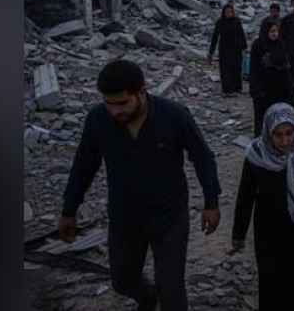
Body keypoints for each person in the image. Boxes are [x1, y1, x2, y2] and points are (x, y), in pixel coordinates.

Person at [59, 60, 221, 311]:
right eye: (109, 103)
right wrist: (69, 210)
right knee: (122, 281)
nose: (115, 111)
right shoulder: (98, 120)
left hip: (169, 217)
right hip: (125, 218)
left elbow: (202, 157)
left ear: (142, 92)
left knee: (171, 291)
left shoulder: (174, 116)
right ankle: (147, 298)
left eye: (122, 103)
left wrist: (211, 202)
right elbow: (84, 165)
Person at [231, 103, 294, 311]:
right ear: (268, 132)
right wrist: (238, 234)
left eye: (289, 133)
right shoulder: (256, 154)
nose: (285, 141)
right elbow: (246, 196)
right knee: (275, 286)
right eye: (278, 135)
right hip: (270, 234)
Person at [248, 21, 294, 136]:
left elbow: (290, 62)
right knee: (265, 119)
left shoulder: (281, 43)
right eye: (272, 31)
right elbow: (254, 69)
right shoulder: (258, 45)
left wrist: (292, 80)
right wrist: (255, 89)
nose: (275, 34)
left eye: (276, 31)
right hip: (265, 90)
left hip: (284, 87)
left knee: (293, 112)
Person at [207, 2, 247, 96]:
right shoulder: (220, 22)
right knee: (225, 70)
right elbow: (215, 37)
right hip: (224, 49)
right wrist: (211, 52)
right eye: (227, 12)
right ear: (223, 12)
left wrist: (244, 47)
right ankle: (227, 90)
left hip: (236, 49)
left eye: (230, 12)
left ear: (233, 12)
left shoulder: (237, 21)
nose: (228, 13)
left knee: (236, 69)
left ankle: (237, 88)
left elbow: (241, 34)